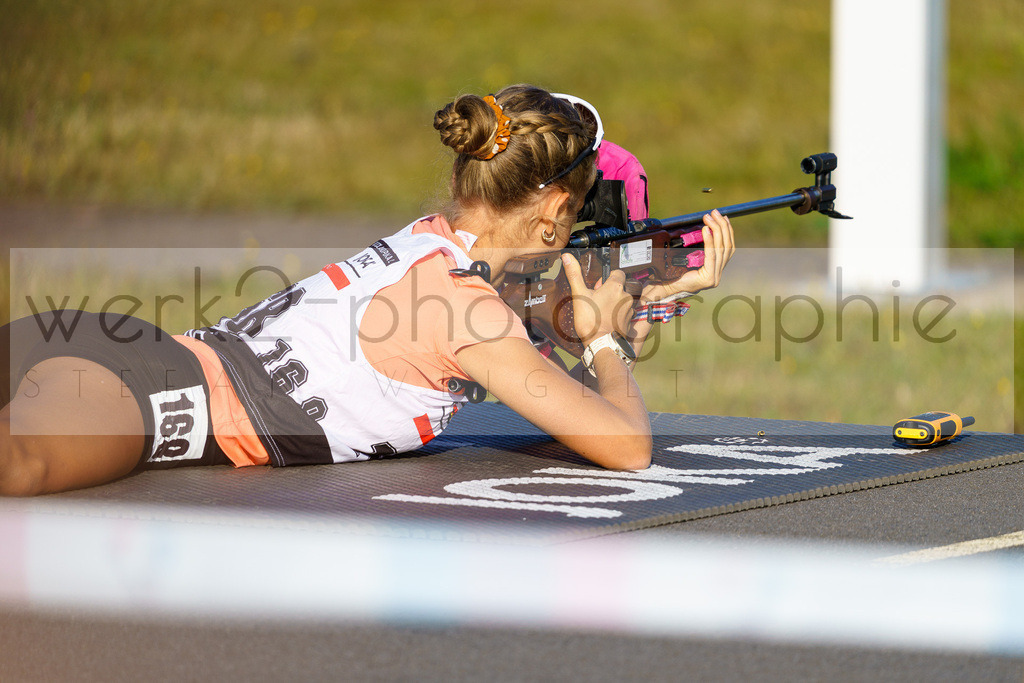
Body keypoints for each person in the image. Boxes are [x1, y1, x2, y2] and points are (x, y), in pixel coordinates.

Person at [0, 84, 734, 496]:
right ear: (552, 214)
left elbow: (523, 322)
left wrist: (638, 299)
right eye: (575, 213)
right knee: (18, 467)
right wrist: (607, 342)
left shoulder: (438, 241)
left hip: (107, 350)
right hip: (146, 391)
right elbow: (627, 444)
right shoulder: (470, 311)